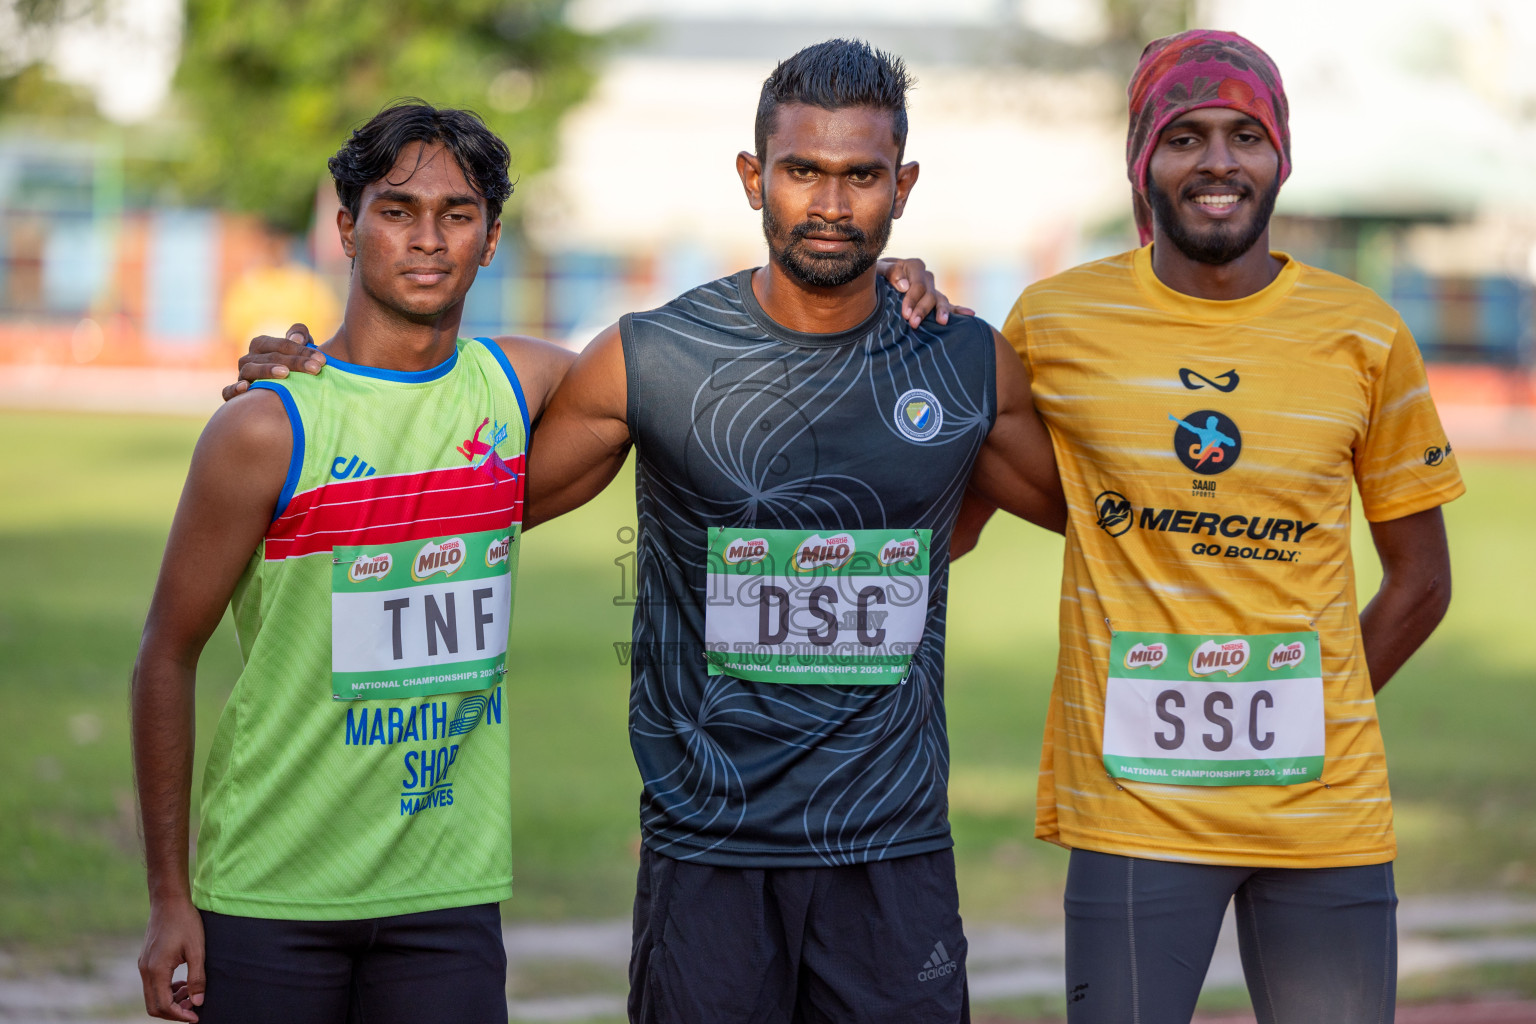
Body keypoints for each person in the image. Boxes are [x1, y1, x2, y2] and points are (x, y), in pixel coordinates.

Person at [237, 39, 1066, 1024]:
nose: (832, 205)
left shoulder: (964, 362)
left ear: (905, 184)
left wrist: (934, 529)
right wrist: (332, 386)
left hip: (889, 849)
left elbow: (1089, 513)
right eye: (803, 172)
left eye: (862, 177)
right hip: (706, 851)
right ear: (755, 178)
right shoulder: (657, 359)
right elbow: (473, 490)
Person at [962, 29, 1465, 1024]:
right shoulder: (1054, 322)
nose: (1220, 162)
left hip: (1322, 805)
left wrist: (1309, 707)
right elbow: (957, 507)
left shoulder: (1363, 332)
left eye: (1247, 134)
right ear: (1143, 158)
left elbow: (1422, 580)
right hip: (1135, 799)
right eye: (1186, 136)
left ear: (1282, 156)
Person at [130, 103, 576, 1023]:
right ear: (347, 226)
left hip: (447, 899)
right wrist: (170, 897)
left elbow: (680, 370)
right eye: (396, 209)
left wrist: (878, 284)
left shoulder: (523, 385)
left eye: (457, 214)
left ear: (491, 239)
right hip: (270, 897)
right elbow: (165, 655)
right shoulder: (266, 424)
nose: (427, 239)